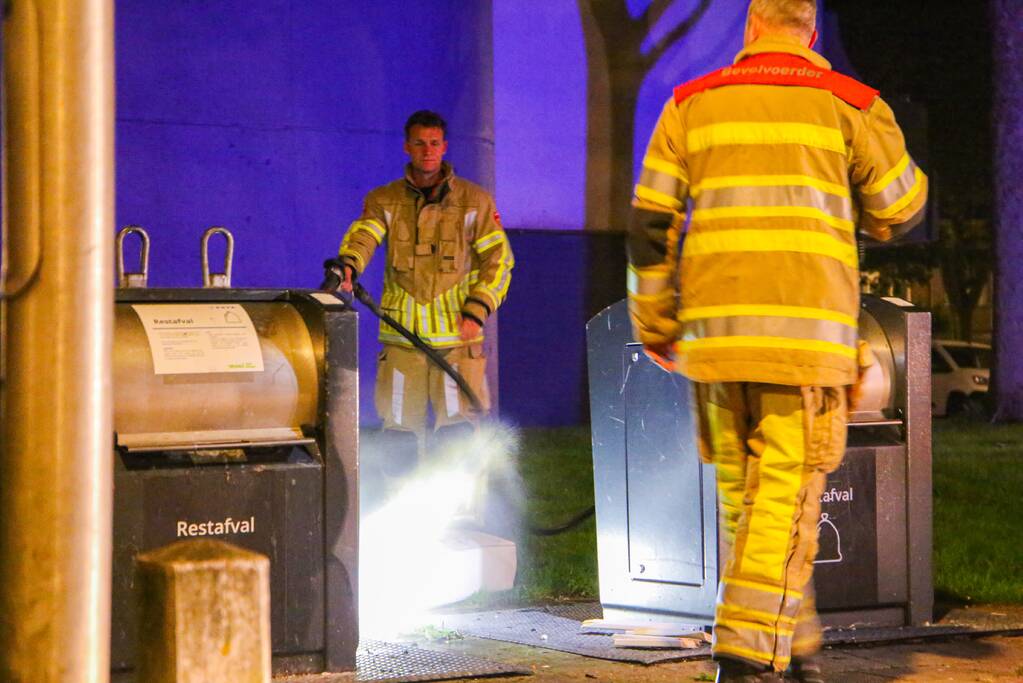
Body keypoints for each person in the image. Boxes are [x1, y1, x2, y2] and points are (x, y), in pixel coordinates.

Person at [625, 1, 928, 681]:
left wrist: (655, 324)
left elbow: (648, 225)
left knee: (747, 502)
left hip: (713, 344)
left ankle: (797, 645)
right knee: (784, 500)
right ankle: (744, 652)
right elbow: (902, 208)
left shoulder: (691, 104)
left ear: (750, 29)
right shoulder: (848, 104)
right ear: (811, 33)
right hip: (802, 345)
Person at [334, 110, 513, 470]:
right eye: (419, 143)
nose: (427, 151)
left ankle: (463, 516)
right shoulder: (384, 200)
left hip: (456, 345)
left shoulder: (475, 202)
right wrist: (347, 265)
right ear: (407, 147)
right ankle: (404, 514)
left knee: (457, 435)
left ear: (444, 147)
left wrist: (477, 310)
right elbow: (364, 236)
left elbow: (499, 261)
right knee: (399, 434)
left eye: (434, 143)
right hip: (404, 344)